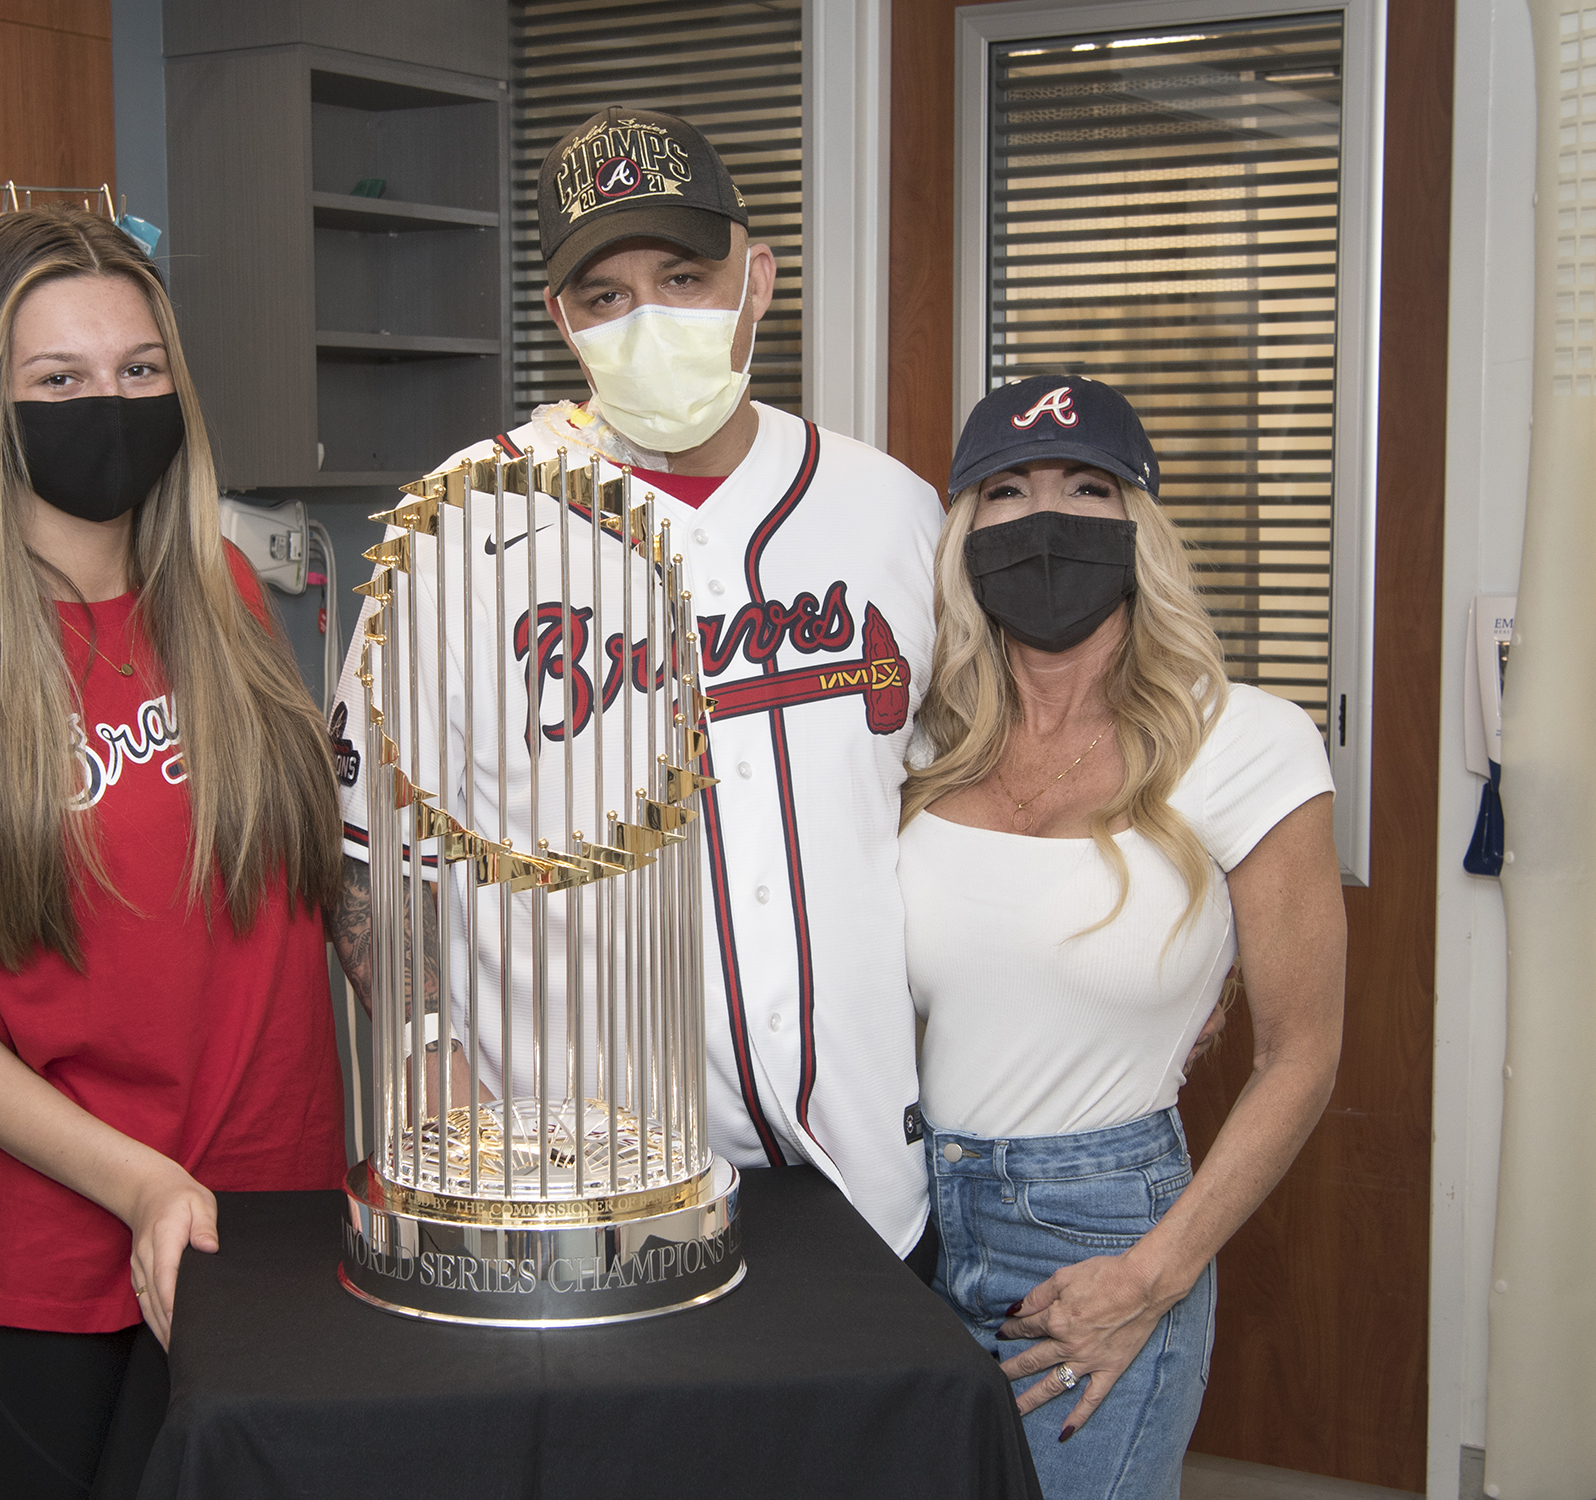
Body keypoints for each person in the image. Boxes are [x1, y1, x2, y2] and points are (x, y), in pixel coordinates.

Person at [325, 107, 947, 1270]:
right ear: (562, 319)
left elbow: (964, 798)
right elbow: (364, 847)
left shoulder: (893, 512)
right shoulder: (458, 526)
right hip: (588, 1204)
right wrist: (426, 1049)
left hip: (874, 1179)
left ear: (757, 279)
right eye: (605, 296)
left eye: (684, 273)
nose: (647, 317)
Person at [0, 207, 345, 1499]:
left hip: (281, 1213)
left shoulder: (224, 599)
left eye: (137, 371)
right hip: (69, 1260)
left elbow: (304, 887)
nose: (106, 404)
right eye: (57, 379)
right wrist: (142, 1186)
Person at [898, 375, 1346, 1497]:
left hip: (1097, 1235)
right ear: (962, 533)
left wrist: (1151, 1278)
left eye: (1087, 487)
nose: (1044, 520)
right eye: (1005, 491)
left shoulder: (1249, 743)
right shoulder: (912, 749)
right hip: (904, 1219)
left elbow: (1304, 1053)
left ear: (1139, 526)